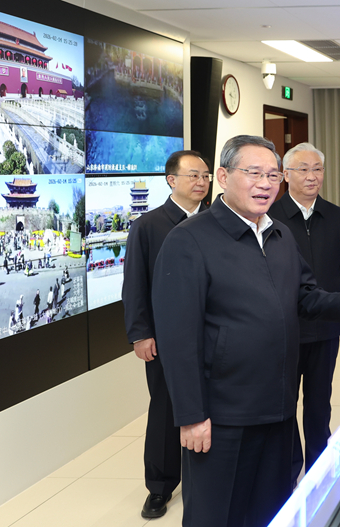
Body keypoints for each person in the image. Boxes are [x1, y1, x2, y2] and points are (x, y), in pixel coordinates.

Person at [152, 135, 340, 527]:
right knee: (217, 515)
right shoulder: (189, 241)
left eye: (273, 175)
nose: (266, 183)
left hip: (277, 409)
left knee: (273, 511)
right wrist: (191, 415)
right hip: (223, 417)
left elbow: (305, 295)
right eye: (254, 173)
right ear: (224, 177)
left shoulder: (278, 234)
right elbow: (177, 338)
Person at [121, 150, 210, 519]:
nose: (202, 182)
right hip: (165, 338)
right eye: (193, 175)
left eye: (205, 175)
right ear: (171, 180)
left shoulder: (216, 221)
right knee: (165, 409)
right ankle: (159, 486)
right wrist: (140, 333)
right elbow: (134, 284)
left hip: (213, 334)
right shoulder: (149, 226)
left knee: (210, 406)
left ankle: (205, 476)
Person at [268, 142, 340, 485]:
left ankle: (319, 469)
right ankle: (290, 466)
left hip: (324, 326)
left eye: (318, 169)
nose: (312, 176)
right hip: (285, 328)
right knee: (284, 402)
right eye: (303, 169)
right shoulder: (270, 215)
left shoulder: (336, 215)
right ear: (286, 175)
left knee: (320, 402)